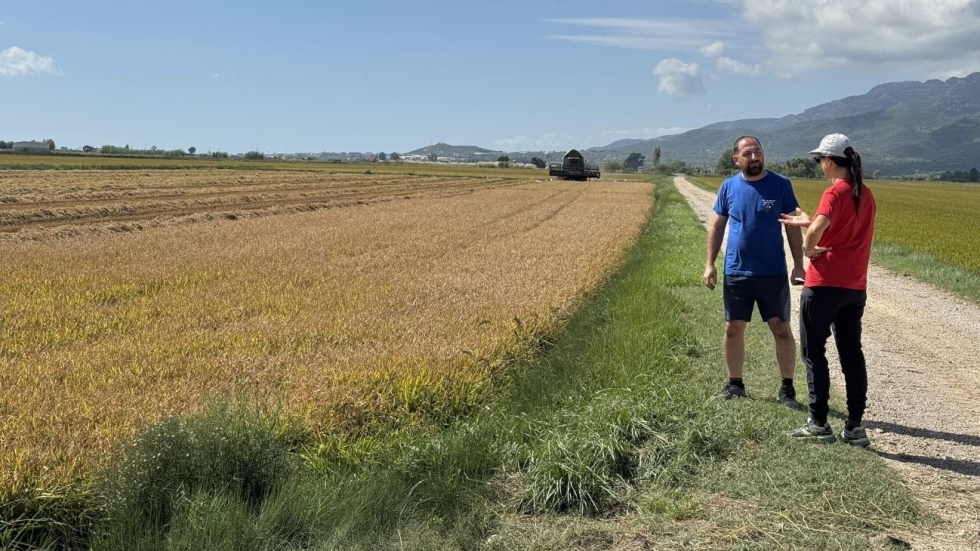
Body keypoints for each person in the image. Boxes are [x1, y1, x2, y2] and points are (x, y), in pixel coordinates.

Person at [781, 133, 876, 447]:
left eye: (819, 159)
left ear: (831, 162)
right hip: (854, 287)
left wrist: (809, 249)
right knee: (851, 353)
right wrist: (812, 224)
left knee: (813, 353)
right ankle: (855, 427)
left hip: (823, 285)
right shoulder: (866, 194)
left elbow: (821, 230)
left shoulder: (833, 192)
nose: (819, 164)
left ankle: (819, 422)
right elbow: (842, 228)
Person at [704, 136, 806, 409]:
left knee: (782, 329)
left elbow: (792, 226)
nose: (754, 157)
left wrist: (798, 263)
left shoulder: (781, 185)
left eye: (757, 152)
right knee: (733, 328)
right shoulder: (729, 187)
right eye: (747, 154)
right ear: (736, 159)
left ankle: (787, 389)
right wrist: (710, 264)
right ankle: (735, 384)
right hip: (737, 272)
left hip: (772, 272)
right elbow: (717, 227)